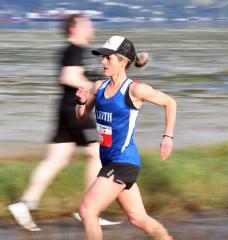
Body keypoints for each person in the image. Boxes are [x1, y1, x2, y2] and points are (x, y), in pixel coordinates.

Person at [8, 14, 116, 231]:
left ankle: (25, 204)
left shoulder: (76, 51)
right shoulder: (74, 50)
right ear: (74, 29)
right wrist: (95, 88)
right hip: (77, 112)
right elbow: (68, 77)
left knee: (56, 159)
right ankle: (90, 209)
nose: (91, 26)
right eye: (86, 23)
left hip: (67, 111)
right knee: (99, 153)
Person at [75, 35, 176, 240]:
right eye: (102, 57)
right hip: (110, 162)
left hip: (124, 162)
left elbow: (170, 103)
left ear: (123, 62)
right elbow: (82, 115)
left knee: (87, 210)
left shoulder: (135, 90)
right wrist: (81, 102)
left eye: (108, 58)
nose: (103, 62)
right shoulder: (99, 87)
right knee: (139, 219)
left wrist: (168, 136)